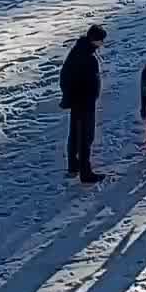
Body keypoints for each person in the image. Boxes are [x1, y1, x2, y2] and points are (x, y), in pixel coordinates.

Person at [59, 24, 108, 183]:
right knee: (86, 137)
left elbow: (65, 75)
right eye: (101, 40)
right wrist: (88, 96)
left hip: (76, 101)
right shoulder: (87, 56)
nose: (102, 43)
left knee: (75, 134)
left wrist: (68, 96)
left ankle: (73, 166)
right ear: (95, 39)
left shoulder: (78, 50)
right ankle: (86, 173)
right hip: (84, 102)